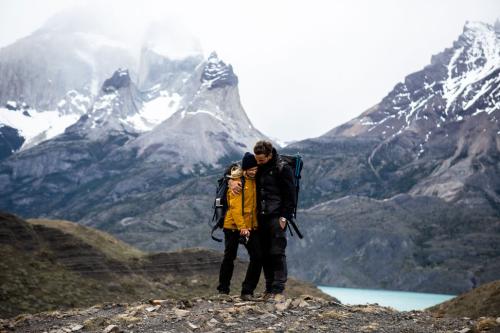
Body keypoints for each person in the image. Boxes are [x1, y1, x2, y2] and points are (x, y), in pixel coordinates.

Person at [230, 140, 296, 300]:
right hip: (260, 218)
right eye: (257, 160)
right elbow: (235, 170)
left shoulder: (282, 168)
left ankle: (278, 289)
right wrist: (231, 181)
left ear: (270, 155)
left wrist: (284, 217)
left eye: (261, 160)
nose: (258, 163)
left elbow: (290, 195)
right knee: (265, 254)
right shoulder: (258, 166)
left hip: (276, 217)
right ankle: (268, 289)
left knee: (277, 252)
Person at [217, 152, 261, 300]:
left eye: (256, 169)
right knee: (229, 257)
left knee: (257, 257)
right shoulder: (237, 182)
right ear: (245, 169)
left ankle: (247, 291)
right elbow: (235, 209)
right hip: (233, 226)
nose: (254, 172)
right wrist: (242, 227)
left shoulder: (256, 180)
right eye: (251, 169)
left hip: (250, 226)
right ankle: (223, 290)